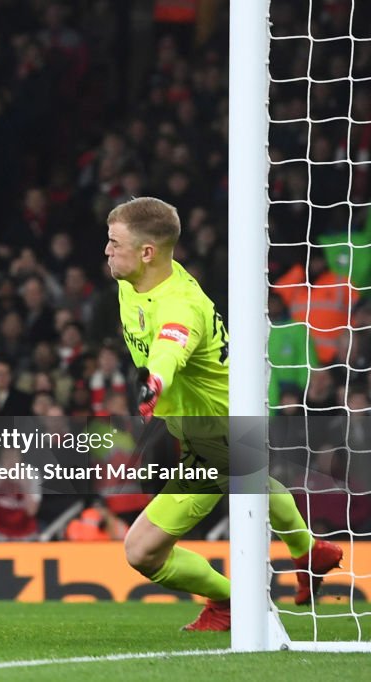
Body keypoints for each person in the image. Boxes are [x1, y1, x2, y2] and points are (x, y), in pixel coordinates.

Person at [107, 197, 342, 631]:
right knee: (145, 549)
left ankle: (274, 574)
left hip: (220, 426)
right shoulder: (132, 280)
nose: (106, 251)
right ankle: (292, 561)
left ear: (147, 252)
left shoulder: (180, 305)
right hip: (200, 432)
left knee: (234, 480)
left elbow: (169, 349)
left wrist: (153, 381)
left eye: (114, 242)